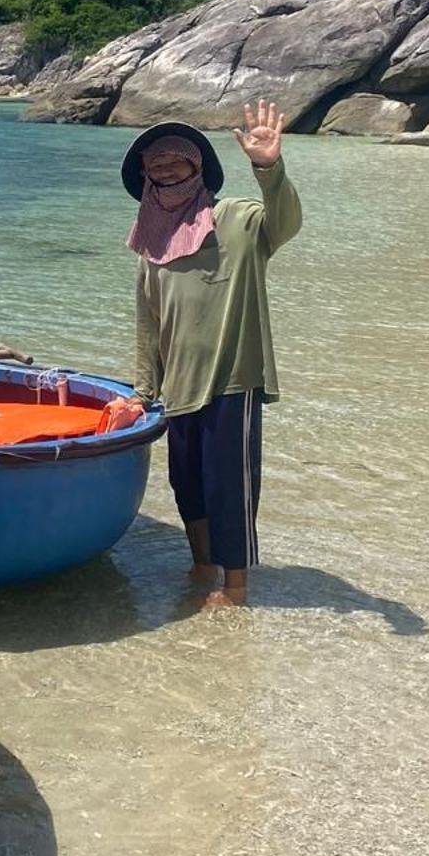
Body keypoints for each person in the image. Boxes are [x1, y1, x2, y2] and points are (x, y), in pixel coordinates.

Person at [122, 101, 301, 610]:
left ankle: (236, 587)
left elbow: (285, 221)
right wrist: (141, 392)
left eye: (175, 160)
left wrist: (268, 166)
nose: (165, 170)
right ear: (146, 181)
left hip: (230, 381)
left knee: (230, 490)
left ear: (198, 166)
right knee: (187, 486)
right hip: (179, 386)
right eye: (155, 166)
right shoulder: (150, 246)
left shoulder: (239, 220)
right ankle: (201, 567)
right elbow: (147, 326)